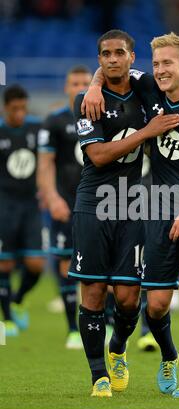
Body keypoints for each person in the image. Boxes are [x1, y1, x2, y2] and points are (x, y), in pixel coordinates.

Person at [83, 32, 179, 398]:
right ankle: (169, 356)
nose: (161, 70)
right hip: (159, 208)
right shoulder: (150, 90)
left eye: (168, 64)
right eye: (157, 64)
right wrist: (93, 87)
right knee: (157, 305)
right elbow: (112, 66)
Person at [69, 29, 179, 398]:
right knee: (93, 293)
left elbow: (174, 79)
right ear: (99, 58)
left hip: (133, 205)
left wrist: (97, 81)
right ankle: (98, 375)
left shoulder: (147, 88)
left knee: (130, 297)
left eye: (120, 53)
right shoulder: (86, 102)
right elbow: (98, 156)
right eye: (105, 54)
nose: (112, 59)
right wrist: (146, 130)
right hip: (93, 203)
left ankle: (117, 347)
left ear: (132, 58)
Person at [37, 65, 93, 349]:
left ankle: (103, 324)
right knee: (64, 265)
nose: (80, 86)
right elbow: (45, 164)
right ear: (66, 87)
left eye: (86, 81)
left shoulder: (104, 116)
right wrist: (52, 197)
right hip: (66, 204)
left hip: (100, 204)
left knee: (101, 265)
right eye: (75, 82)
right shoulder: (55, 122)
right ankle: (73, 329)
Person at [0, 85, 45, 336]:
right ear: (6, 107)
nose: (20, 114)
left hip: (30, 204)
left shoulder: (35, 129)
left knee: (36, 264)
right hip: (4, 204)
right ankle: (6, 319)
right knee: (4, 264)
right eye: (15, 109)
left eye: (23, 109)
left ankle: (18, 299)